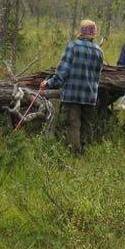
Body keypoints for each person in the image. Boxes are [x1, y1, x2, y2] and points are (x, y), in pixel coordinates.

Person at [41, 19, 104, 153]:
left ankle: (75, 156)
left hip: (72, 95)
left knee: (73, 125)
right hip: (90, 96)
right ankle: (87, 154)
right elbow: (97, 77)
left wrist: (49, 83)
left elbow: (62, 72)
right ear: (94, 34)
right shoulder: (99, 51)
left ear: (81, 32)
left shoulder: (73, 46)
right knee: (87, 125)